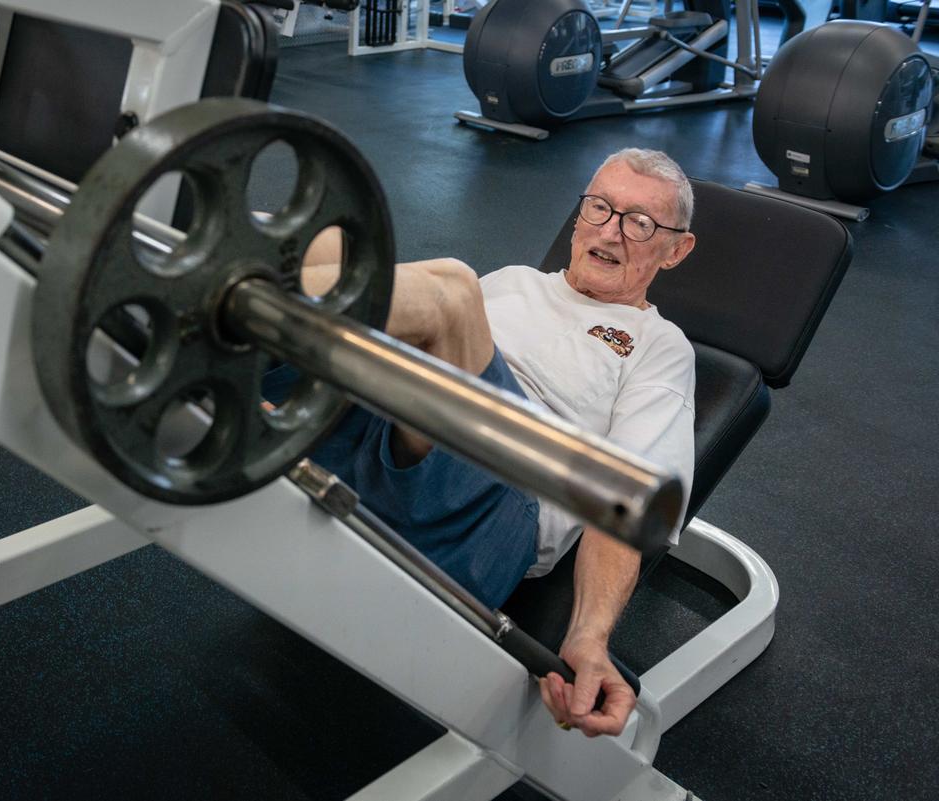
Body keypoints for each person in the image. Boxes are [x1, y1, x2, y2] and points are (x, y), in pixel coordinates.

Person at [264, 147, 697, 738]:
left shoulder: (660, 346)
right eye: (600, 207)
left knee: (451, 289)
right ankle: (218, 314)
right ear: (579, 215)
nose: (610, 231)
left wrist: (588, 636)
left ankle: (210, 312)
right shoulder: (517, 281)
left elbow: (626, 501)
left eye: (640, 222)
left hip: (488, 514)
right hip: (389, 425)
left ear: (675, 250)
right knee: (330, 242)